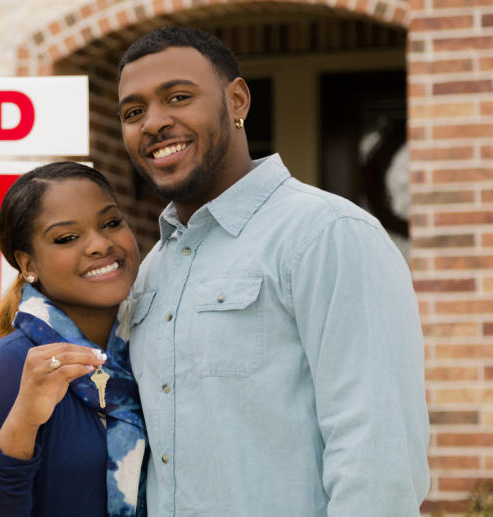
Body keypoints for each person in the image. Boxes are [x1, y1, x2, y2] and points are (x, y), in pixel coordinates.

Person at [117, 26, 430, 515]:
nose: (153, 122)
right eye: (133, 112)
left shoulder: (327, 234)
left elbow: (378, 454)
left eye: (178, 97)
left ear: (237, 100)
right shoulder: (152, 271)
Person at [0, 162, 148, 517]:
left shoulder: (154, 349)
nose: (100, 244)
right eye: (67, 238)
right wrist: (22, 422)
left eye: (111, 222)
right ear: (28, 264)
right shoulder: (6, 368)